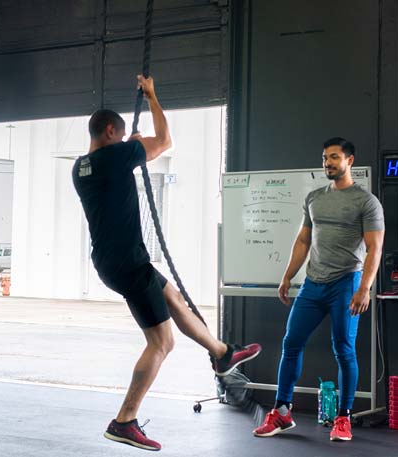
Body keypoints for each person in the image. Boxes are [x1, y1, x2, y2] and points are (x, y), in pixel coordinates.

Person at [72, 74, 262, 452]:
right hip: (127, 262)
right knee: (162, 342)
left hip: (115, 261)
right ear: (112, 131)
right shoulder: (116, 156)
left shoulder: (81, 166)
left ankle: (222, 354)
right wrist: (153, 96)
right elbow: (165, 141)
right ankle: (124, 420)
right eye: (120, 135)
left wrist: (131, 145)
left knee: (173, 297)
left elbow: (125, 156)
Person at [252, 137, 384, 442]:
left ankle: (343, 418)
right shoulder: (314, 198)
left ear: (349, 161)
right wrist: (287, 277)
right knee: (291, 342)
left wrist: (365, 288)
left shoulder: (366, 202)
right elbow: (303, 241)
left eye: (334, 157)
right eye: (325, 158)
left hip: (346, 282)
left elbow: (375, 248)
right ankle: (282, 412)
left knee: (344, 350)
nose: (328, 163)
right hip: (313, 283)